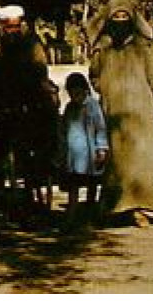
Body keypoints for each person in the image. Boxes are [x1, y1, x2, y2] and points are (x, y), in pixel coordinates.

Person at [88, 0, 153, 226]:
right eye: (115, 17)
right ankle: (118, 206)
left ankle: (140, 206)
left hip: (143, 116)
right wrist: (107, 89)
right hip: (114, 114)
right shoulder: (102, 50)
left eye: (124, 17)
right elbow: (94, 77)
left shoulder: (141, 49)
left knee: (144, 162)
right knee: (118, 164)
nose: (120, 21)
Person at [0, 4, 58, 219]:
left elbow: (40, 73)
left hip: (28, 106)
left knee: (29, 156)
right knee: (0, 154)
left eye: (15, 26)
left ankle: (31, 198)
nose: (12, 30)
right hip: (2, 105)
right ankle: (1, 197)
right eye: (8, 26)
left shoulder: (32, 44)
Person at [57, 71, 109, 217]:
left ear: (84, 89)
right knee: (73, 185)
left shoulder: (92, 106)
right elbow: (63, 129)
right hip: (73, 156)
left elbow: (100, 128)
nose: (74, 96)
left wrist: (101, 149)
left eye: (77, 92)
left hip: (90, 155)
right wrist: (62, 151)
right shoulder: (69, 108)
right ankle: (72, 213)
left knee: (92, 184)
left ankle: (91, 213)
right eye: (71, 93)